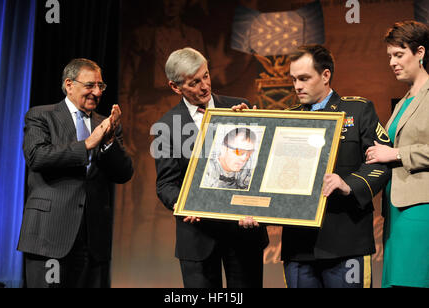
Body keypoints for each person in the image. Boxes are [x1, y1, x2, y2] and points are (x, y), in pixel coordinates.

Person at [236, 44, 392, 288]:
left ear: (326, 75)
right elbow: (269, 175)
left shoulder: (358, 110)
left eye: (304, 78)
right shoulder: (287, 118)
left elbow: (380, 164)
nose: (297, 86)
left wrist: (349, 185)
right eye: (294, 79)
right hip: (299, 247)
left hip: (346, 243)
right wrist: (245, 126)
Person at [154, 47, 269, 288]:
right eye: (194, 83)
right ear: (175, 87)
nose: (205, 86)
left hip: (242, 231)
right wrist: (183, 204)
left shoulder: (240, 108)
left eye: (205, 76)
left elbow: (261, 165)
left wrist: (255, 126)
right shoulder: (166, 126)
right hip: (198, 237)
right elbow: (166, 184)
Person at [18, 58, 134, 288]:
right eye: (90, 85)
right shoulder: (41, 116)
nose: (96, 92)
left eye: (100, 86)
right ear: (69, 84)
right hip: (49, 236)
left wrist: (110, 141)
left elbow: (123, 173)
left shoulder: (107, 124)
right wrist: (87, 144)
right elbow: (37, 157)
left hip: (92, 238)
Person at [366, 21, 429, 288]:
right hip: (395, 207)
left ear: (420, 52)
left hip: (420, 207)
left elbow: (395, 153)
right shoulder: (404, 100)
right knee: (396, 281)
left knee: (412, 280)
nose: (392, 62)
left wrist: (396, 154)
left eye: (399, 54)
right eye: (390, 56)